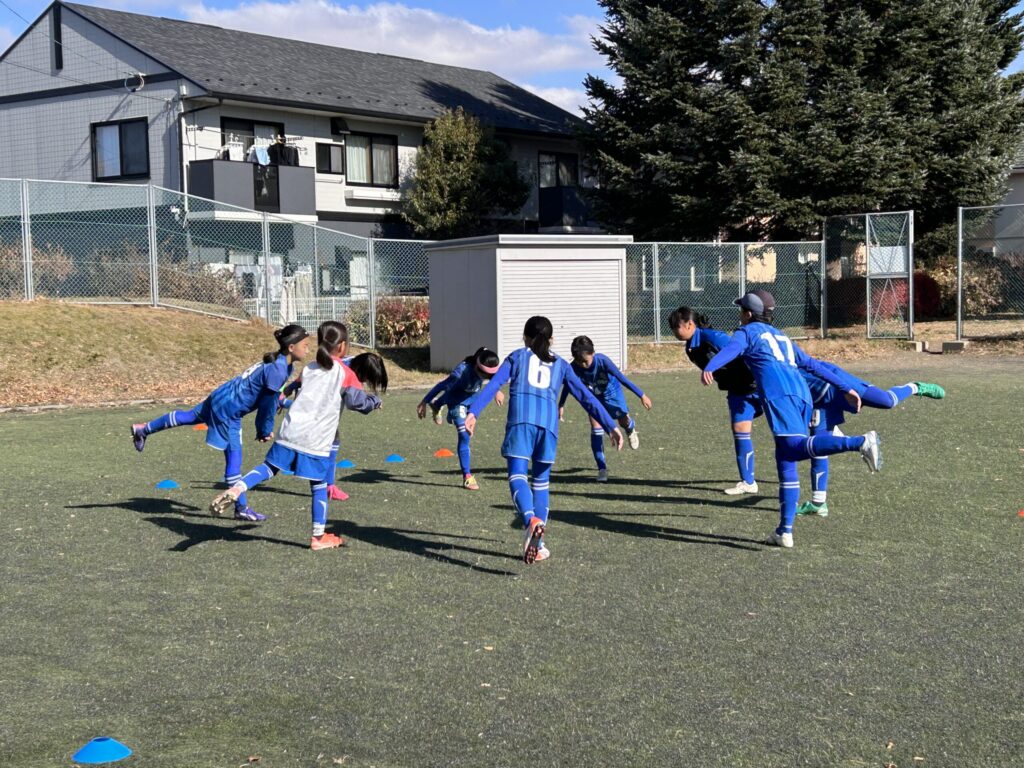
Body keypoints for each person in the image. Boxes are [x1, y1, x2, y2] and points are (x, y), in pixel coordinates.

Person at [702, 290, 882, 549]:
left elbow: (732, 348)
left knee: (793, 448)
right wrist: (844, 387)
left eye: (741, 310)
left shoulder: (747, 332)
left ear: (749, 313)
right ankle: (784, 532)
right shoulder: (782, 336)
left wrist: (710, 367)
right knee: (785, 458)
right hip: (801, 394)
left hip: (780, 394)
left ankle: (860, 442)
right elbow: (811, 364)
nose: (740, 315)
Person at [211, 323, 386, 550]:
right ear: (343, 346)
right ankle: (318, 537)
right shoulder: (347, 374)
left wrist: (283, 396)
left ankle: (238, 488)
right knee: (319, 485)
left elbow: (292, 387)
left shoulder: (309, 368)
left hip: (289, 432)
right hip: (316, 440)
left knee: (269, 468)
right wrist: (374, 401)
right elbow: (357, 403)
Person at [465, 316, 625, 564]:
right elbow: (586, 397)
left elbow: (494, 384)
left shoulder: (517, 357)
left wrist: (474, 412)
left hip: (521, 422)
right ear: (552, 340)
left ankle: (530, 520)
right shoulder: (561, 364)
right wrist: (610, 425)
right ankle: (538, 546)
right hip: (548, 428)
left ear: (525, 338)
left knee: (518, 476)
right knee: (541, 483)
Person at [131, 324, 309, 522]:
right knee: (234, 460)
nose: (308, 349)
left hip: (223, 395)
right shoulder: (279, 369)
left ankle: (143, 429)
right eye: (305, 345)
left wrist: (288, 404)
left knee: (190, 417)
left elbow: (269, 397)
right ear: (291, 347)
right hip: (229, 410)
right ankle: (241, 508)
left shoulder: (283, 365)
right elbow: (267, 407)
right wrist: (263, 430)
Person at [797, 361, 944, 517]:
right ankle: (818, 503)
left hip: (836, 381)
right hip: (817, 400)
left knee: (887, 401)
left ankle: (915, 387)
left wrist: (845, 388)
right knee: (819, 447)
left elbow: (808, 364)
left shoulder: (784, 353)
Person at [668, 307, 762, 496]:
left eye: (676, 327)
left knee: (785, 428)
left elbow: (739, 351)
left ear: (689, 324)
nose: (674, 332)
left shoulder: (713, 337)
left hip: (760, 386)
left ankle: (819, 436)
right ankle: (748, 482)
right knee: (740, 431)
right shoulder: (690, 348)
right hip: (738, 391)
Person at [558, 335, 652, 482]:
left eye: (585, 361)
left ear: (593, 353)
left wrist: (641, 395)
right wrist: (561, 404)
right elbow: (568, 385)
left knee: (623, 421)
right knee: (596, 428)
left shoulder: (602, 361)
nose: (583, 365)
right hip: (594, 398)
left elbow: (621, 378)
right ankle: (602, 469)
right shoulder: (573, 367)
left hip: (612, 393)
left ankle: (630, 428)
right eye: (579, 361)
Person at [417, 347, 505, 490]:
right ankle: (467, 477)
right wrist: (424, 401)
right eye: (484, 374)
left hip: (472, 402)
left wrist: (497, 390)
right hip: (457, 404)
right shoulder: (461, 373)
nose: (485, 377)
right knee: (464, 435)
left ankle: (437, 405)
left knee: (456, 398)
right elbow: (441, 386)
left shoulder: (484, 367)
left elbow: (493, 376)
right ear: (477, 366)